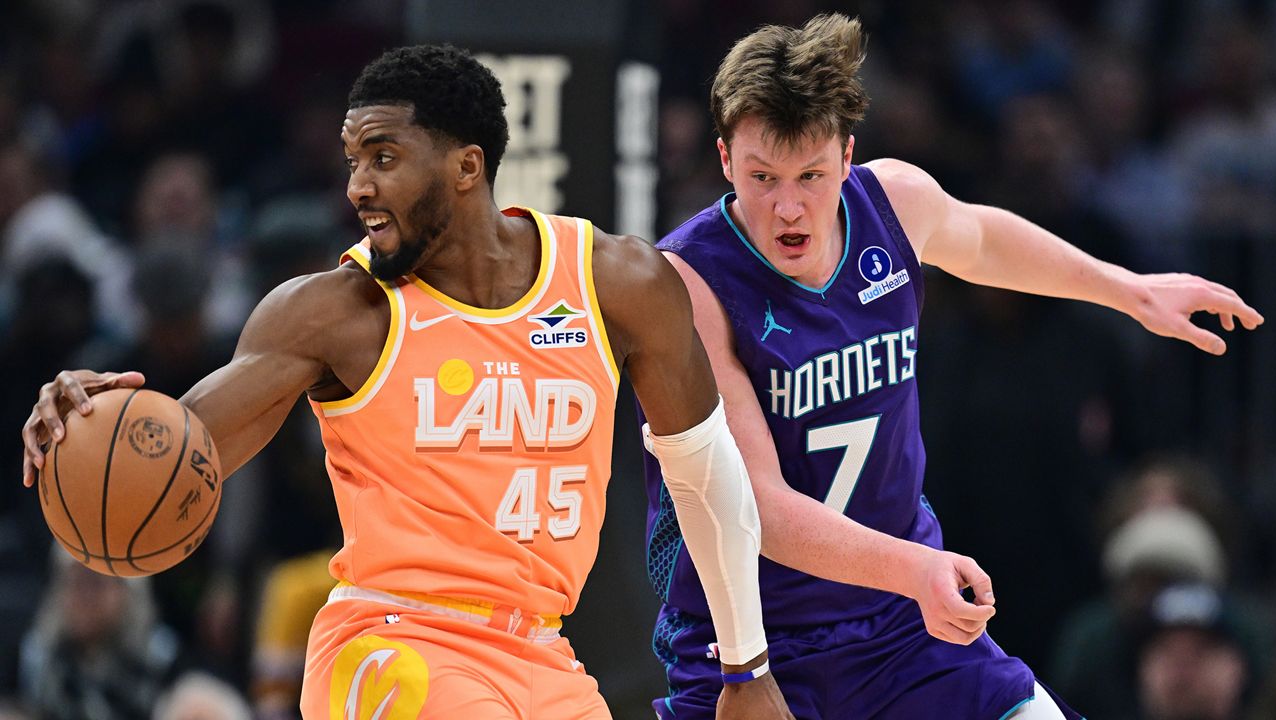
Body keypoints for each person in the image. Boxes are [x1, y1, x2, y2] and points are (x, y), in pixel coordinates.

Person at [22, 44, 792, 719]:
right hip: (390, 641)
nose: (357, 185)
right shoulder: (334, 313)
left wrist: (747, 666)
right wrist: (92, 423)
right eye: (352, 159)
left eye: (383, 157)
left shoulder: (615, 283)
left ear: (467, 166)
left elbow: (704, 470)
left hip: (540, 654)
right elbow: (188, 447)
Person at [641, 13, 1264, 720]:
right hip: (753, 647)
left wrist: (1131, 290)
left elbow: (981, 239)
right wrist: (918, 568)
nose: (788, 206)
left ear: (847, 156)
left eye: (811, 175)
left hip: (900, 628)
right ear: (725, 160)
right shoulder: (689, 280)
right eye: (763, 177)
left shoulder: (893, 202)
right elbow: (758, 506)